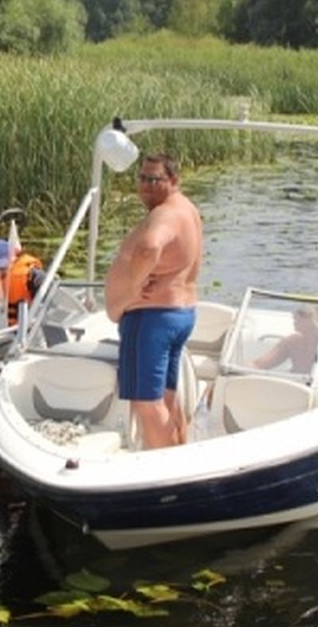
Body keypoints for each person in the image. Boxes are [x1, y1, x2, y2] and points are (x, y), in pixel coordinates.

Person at [103, 153, 202, 449]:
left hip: (152, 318)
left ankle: (165, 473)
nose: (145, 185)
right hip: (178, 313)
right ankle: (180, 454)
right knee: (167, 397)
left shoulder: (167, 214)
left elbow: (149, 247)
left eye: (154, 179)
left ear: (173, 181)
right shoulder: (187, 209)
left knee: (146, 402)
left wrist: (131, 289)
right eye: (142, 178)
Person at [251, 304, 318, 376]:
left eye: (303, 314)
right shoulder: (292, 341)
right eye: (298, 314)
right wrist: (241, 369)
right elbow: (261, 363)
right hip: (295, 385)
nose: (295, 317)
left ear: (314, 319)